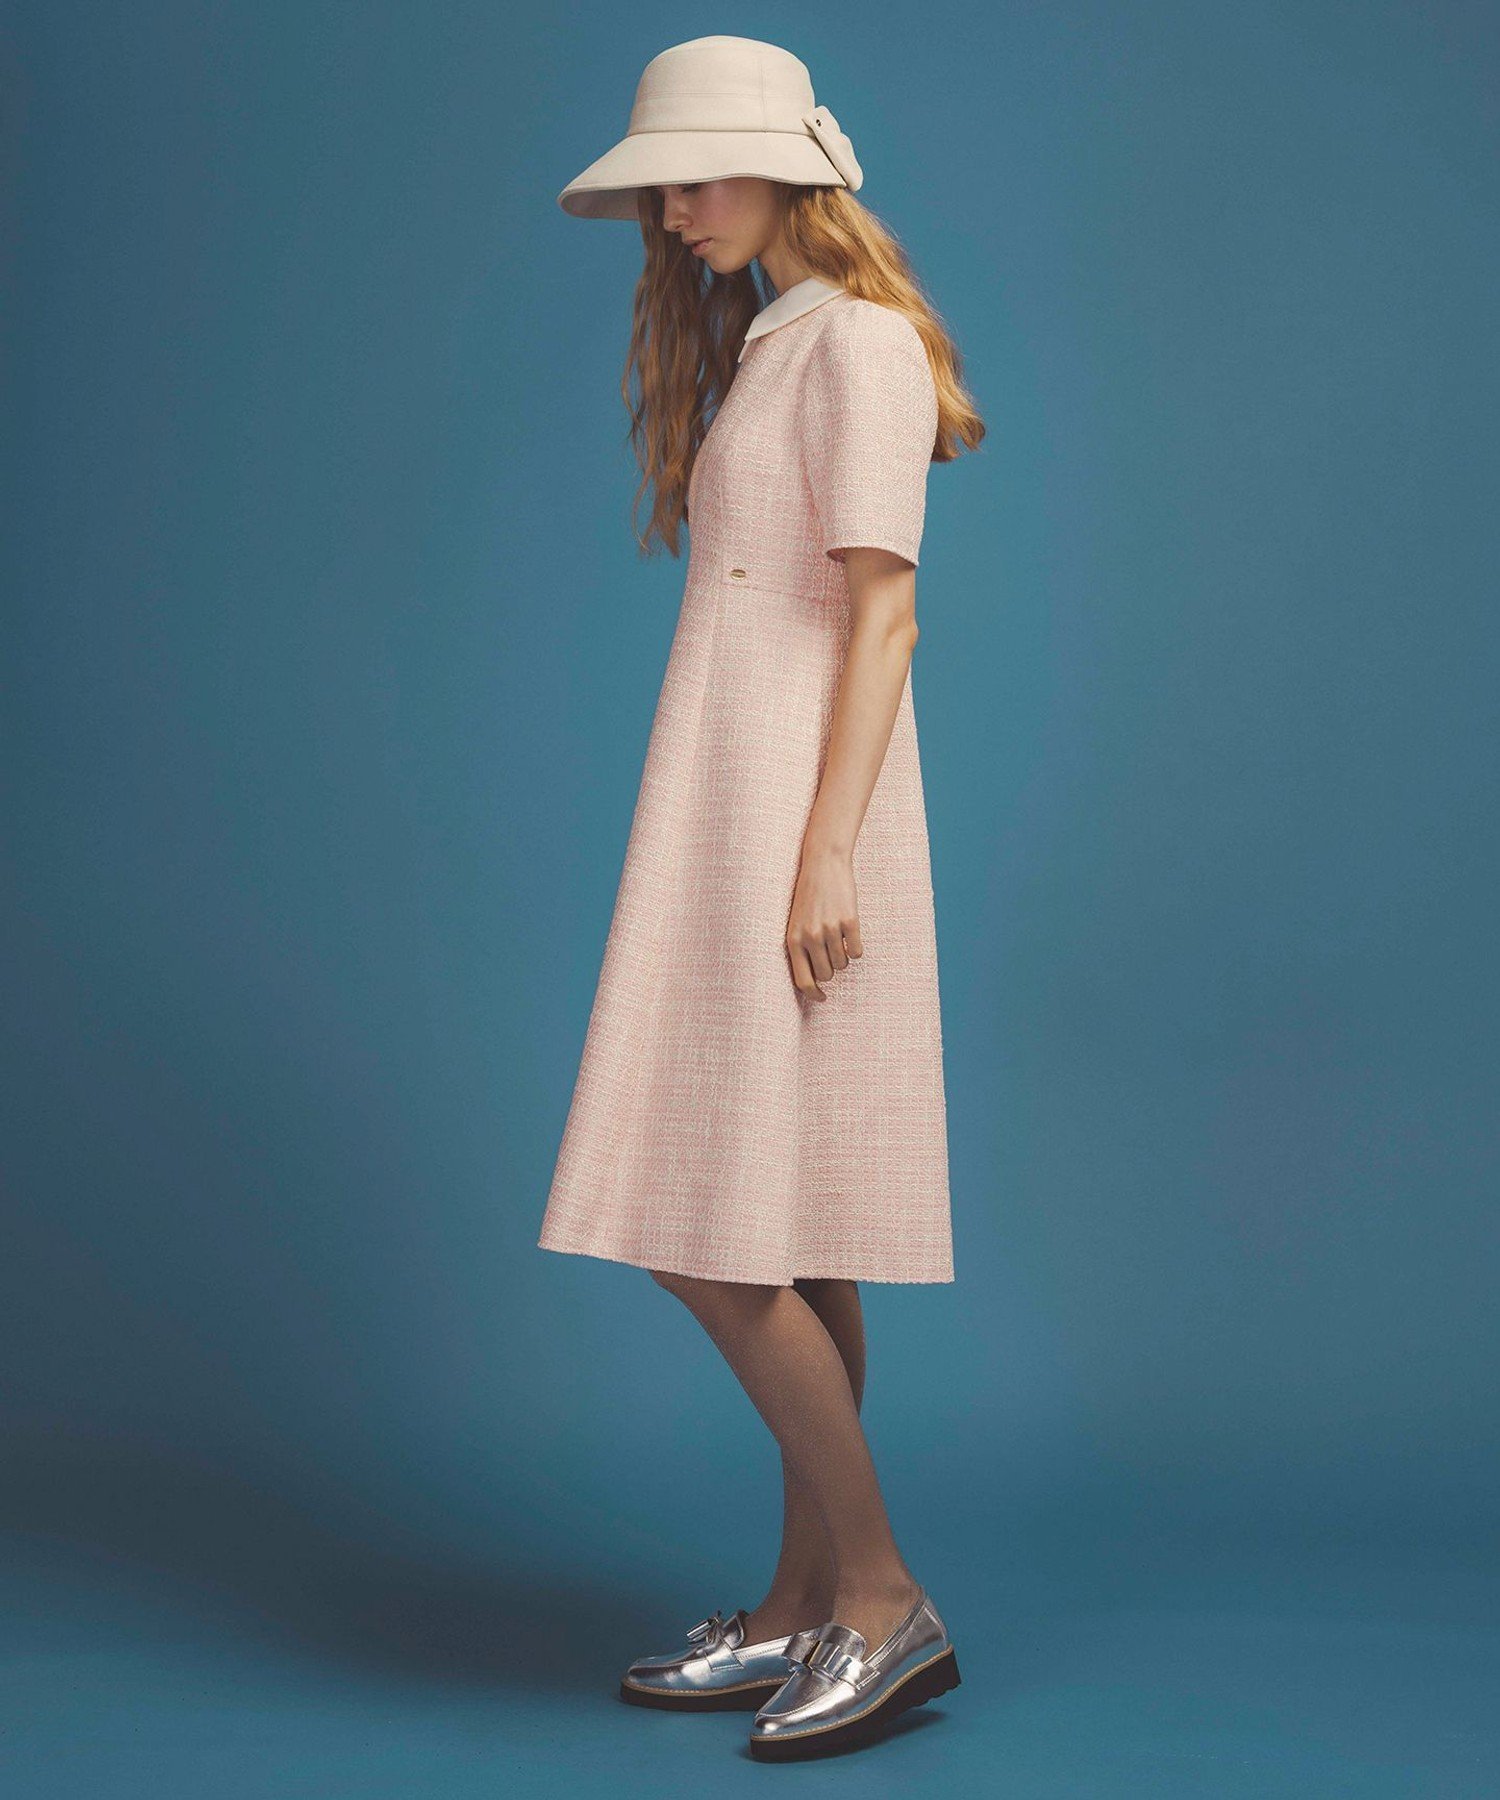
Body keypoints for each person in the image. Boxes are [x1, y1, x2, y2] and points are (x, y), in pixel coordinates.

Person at [538, 35, 984, 1761]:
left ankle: (879, 1594)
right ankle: (805, 1602)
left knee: (708, 1222)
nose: (673, 209)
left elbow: (887, 613)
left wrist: (824, 850)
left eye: (698, 173)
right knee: (782, 1216)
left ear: (791, 169)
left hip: (795, 821)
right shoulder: (773, 343)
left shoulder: (855, 343)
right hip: (736, 806)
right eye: (661, 182)